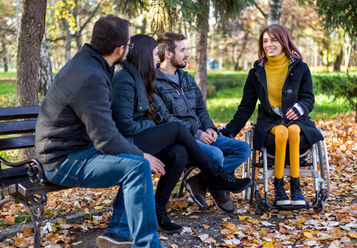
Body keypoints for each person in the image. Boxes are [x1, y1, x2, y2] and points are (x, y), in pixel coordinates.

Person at [35, 15, 194, 248]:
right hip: (62, 161)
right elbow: (105, 139)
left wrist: (137, 151)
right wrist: (142, 155)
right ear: (120, 49)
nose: (130, 49)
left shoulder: (92, 64)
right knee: (137, 165)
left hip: (77, 150)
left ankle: (119, 231)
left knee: (135, 159)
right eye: (129, 44)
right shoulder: (91, 76)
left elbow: (104, 131)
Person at [111, 34, 252, 233]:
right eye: (153, 55)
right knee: (178, 131)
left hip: (148, 138)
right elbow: (126, 126)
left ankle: (160, 211)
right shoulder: (125, 81)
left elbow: (201, 110)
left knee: (180, 153)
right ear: (144, 55)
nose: (157, 59)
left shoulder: (142, 78)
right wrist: (156, 128)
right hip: (127, 143)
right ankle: (217, 176)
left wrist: (208, 128)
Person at [219, 24, 324, 207]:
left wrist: (300, 108)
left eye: (274, 40)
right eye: (265, 41)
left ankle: (296, 188)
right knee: (282, 132)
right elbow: (246, 106)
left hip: (298, 122)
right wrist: (230, 131)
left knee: (291, 130)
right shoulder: (256, 72)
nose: (269, 44)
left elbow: (308, 98)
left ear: (284, 42)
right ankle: (278, 188)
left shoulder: (300, 68)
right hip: (270, 125)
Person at [154, 32, 251, 213]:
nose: (187, 54)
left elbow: (201, 109)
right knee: (215, 154)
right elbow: (166, 119)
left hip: (202, 133)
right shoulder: (154, 84)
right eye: (182, 50)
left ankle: (201, 182)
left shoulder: (186, 78)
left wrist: (209, 127)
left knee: (243, 149)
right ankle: (218, 187)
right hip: (181, 139)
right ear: (168, 53)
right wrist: (197, 133)